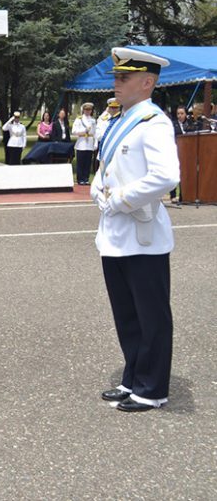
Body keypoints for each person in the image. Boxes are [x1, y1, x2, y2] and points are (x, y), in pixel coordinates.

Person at [91, 47, 179, 413]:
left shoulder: (153, 123)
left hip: (143, 237)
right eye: (116, 77)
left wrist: (121, 199)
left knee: (151, 317)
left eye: (123, 78)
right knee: (127, 315)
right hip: (115, 236)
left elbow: (167, 177)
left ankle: (152, 388)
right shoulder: (120, 121)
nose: (116, 83)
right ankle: (133, 379)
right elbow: (105, 169)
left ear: (147, 83)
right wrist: (99, 191)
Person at [72, 103, 97, 184]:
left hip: (89, 142)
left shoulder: (93, 120)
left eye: (89, 110)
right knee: (81, 162)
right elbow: (74, 131)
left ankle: (86, 178)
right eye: (86, 109)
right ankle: (80, 179)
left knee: (88, 162)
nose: (88, 111)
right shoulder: (79, 119)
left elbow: (95, 132)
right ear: (83, 110)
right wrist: (84, 131)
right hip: (81, 142)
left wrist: (95, 142)